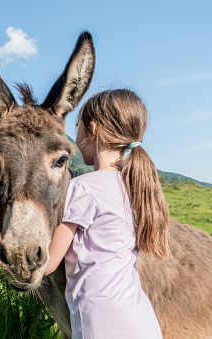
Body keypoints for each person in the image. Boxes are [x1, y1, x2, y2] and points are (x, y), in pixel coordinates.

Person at [44, 89, 170, 339]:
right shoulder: (136, 186)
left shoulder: (83, 188)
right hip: (140, 321)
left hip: (101, 323)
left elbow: (47, 264)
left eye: (78, 127)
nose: (76, 137)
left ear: (92, 129)